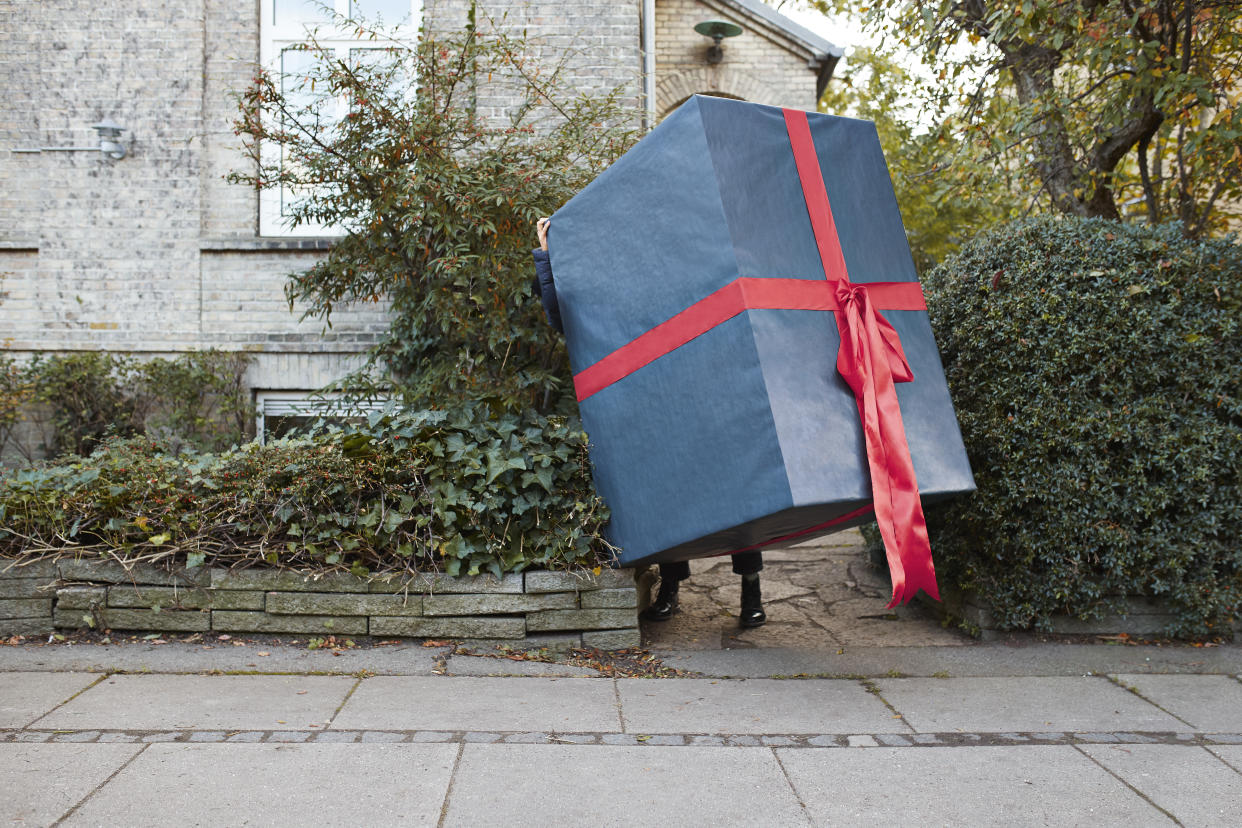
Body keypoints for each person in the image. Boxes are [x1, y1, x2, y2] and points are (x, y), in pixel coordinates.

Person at [532, 217, 766, 628]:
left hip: (705, 395)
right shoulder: (605, 294)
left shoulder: (668, 265)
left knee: (737, 491)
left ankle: (751, 588)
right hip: (653, 407)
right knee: (668, 496)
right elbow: (560, 316)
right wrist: (547, 256)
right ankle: (671, 588)